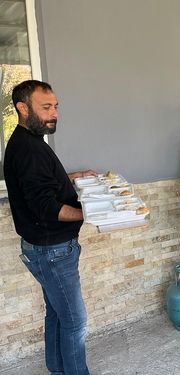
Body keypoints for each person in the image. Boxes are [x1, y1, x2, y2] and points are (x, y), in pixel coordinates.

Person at [4, 80, 97, 375]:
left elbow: (42, 182)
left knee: (58, 313)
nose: (54, 113)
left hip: (47, 249)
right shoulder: (28, 149)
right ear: (22, 108)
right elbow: (47, 207)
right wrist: (93, 213)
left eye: (56, 106)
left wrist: (73, 176)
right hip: (52, 251)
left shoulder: (28, 141)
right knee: (75, 321)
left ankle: (57, 369)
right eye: (46, 107)